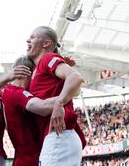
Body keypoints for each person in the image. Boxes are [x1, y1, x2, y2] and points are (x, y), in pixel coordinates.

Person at [26, 26, 86, 166]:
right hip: (61, 136)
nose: (27, 40)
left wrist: (59, 103)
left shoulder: (48, 58)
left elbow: (76, 77)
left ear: (46, 43)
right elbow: (75, 88)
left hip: (58, 134)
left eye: (33, 37)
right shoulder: (39, 68)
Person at [1, 56, 61, 166]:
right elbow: (44, 108)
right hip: (30, 160)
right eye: (36, 75)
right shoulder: (17, 93)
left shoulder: (7, 91)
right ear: (27, 74)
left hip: (23, 159)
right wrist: (68, 94)